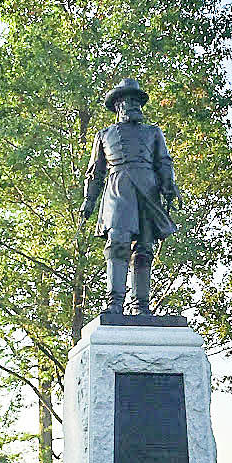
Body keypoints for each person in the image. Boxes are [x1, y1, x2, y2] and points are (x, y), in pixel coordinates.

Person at [80, 78, 182, 315]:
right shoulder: (104, 135)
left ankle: (141, 306)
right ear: (118, 106)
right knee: (117, 243)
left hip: (147, 190)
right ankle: (114, 303)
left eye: (137, 101)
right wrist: (89, 200)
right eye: (129, 101)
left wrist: (169, 187)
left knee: (145, 248)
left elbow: (163, 162)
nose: (135, 105)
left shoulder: (153, 132)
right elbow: (96, 170)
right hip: (118, 191)